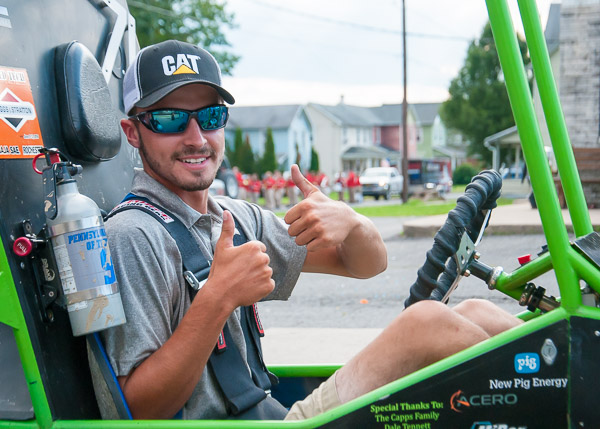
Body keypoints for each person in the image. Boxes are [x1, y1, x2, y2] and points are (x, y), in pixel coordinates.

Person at [97, 39, 521, 421]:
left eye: (210, 116)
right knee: (427, 322)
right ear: (133, 132)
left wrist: (351, 224)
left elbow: (366, 265)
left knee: (474, 312)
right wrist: (218, 298)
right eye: (170, 119)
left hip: (269, 411)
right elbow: (137, 409)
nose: (196, 137)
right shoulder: (132, 235)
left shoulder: (236, 217)